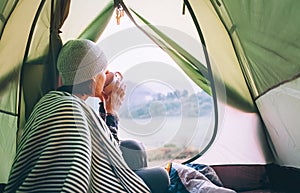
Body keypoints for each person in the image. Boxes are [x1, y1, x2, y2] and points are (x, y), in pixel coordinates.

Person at [4, 39, 170, 193]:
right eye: (104, 73)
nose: (107, 77)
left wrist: (106, 108)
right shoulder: (72, 109)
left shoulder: (51, 100)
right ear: (93, 81)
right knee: (161, 176)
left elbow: (101, 147)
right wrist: (112, 111)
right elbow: (109, 159)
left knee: (134, 147)